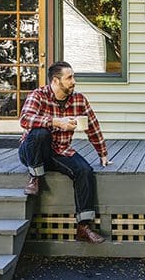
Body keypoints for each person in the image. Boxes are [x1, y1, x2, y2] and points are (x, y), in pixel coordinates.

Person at [19, 61, 112, 244]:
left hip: (60, 151)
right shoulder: (38, 95)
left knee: (84, 171)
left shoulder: (78, 100)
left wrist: (102, 153)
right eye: (69, 78)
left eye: (73, 77)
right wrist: (56, 121)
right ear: (55, 81)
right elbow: (25, 119)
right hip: (31, 152)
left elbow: (92, 126)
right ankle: (35, 177)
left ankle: (83, 227)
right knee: (40, 133)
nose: (73, 81)